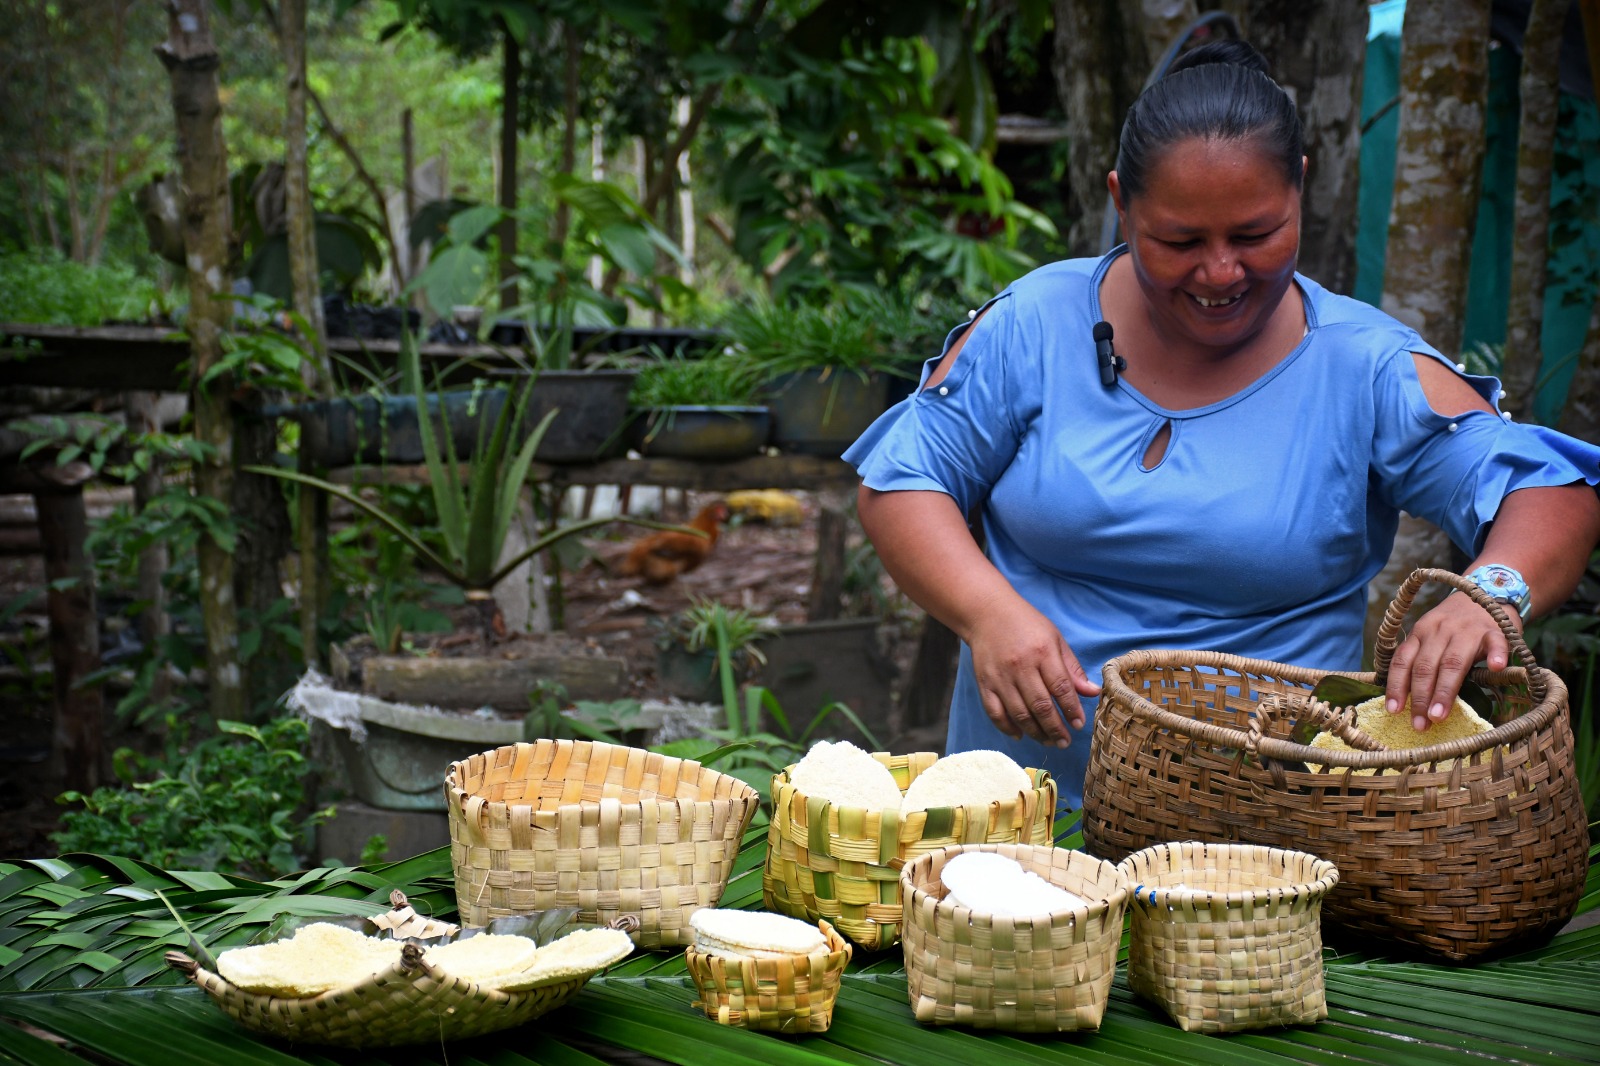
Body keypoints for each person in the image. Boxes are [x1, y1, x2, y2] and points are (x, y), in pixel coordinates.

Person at [844, 39, 1600, 810]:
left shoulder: (1365, 367)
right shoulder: (1032, 324)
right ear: (1120, 203)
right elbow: (903, 481)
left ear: (1300, 188)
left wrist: (1491, 592)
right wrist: (988, 612)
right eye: (1180, 241)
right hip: (1015, 828)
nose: (1220, 272)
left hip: (1265, 847)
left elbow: (1553, 493)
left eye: (1254, 235)